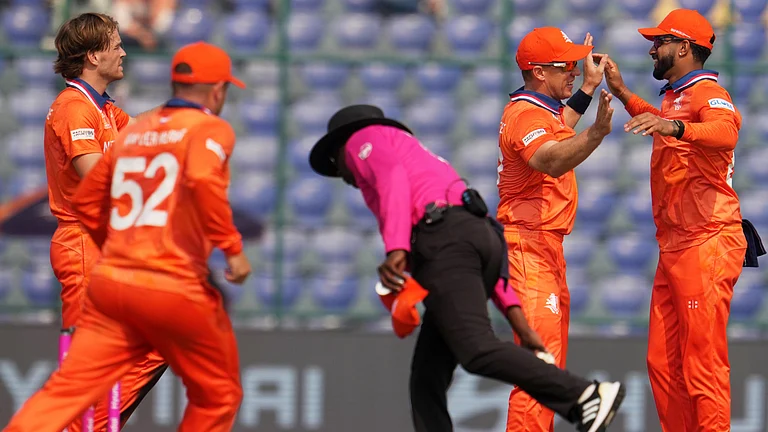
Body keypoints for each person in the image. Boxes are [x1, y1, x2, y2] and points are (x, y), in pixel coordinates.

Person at [308, 104, 626, 432]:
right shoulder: (417, 156)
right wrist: (517, 319)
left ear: (341, 148)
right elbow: (480, 246)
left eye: (335, 164)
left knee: (475, 351)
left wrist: (396, 249)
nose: (342, 175)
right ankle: (582, 396)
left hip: (444, 241)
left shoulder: (363, 139)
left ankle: (584, 395)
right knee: (427, 378)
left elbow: (393, 180)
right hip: (480, 236)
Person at [4, 41, 251, 432]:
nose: (122, 53)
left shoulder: (133, 132)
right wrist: (233, 250)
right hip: (163, 279)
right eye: (115, 45)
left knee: (69, 389)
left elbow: (89, 199)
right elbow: (203, 181)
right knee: (219, 393)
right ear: (218, 90)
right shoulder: (208, 128)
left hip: (111, 277)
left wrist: (113, 245)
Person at [602, 9, 747, 431]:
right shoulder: (676, 95)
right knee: (663, 363)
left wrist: (674, 127)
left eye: (660, 41)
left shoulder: (707, 91)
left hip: (707, 240)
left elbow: (726, 132)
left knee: (702, 363)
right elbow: (666, 122)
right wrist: (623, 93)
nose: (652, 49)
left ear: (684, 47)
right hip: (677, 245)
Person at [44, 12, 166, 430]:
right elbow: (96, 176)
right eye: (116, 45)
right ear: (94, 56)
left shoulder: (105, 110)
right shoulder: (74, 108)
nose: (123, 52)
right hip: (83, 245)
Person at [496, 27, 614, 432]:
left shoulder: (537, 111)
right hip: (528, 247)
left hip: (543, 247)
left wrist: (588, 90)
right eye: (566, 66)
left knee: (547, 368)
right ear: (539, 72)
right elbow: (549, 158)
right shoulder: (526, 115)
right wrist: (595, 133)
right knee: (538, 371)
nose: (575, 71)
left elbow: (557, 128)